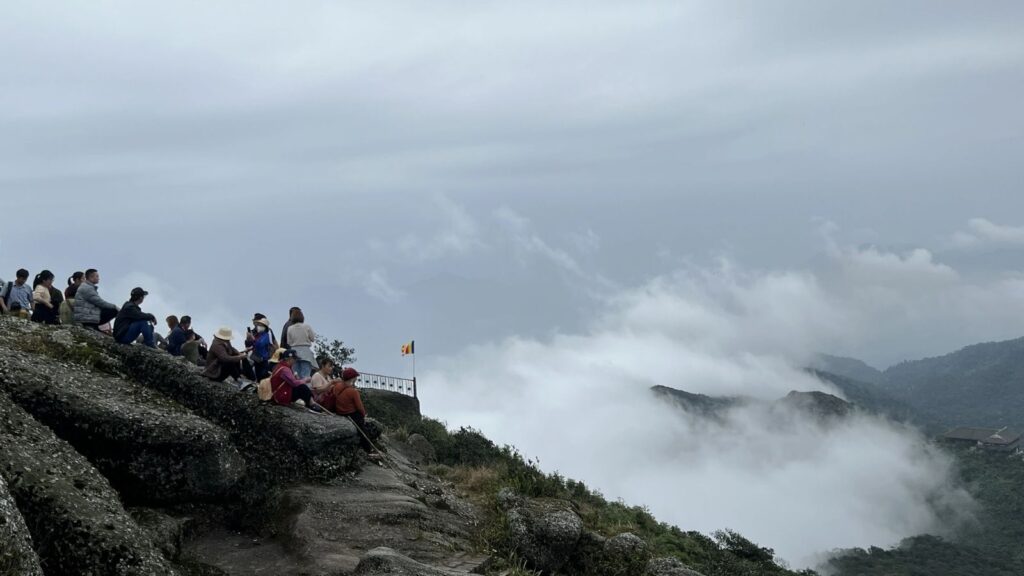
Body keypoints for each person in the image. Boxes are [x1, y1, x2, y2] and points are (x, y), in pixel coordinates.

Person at [320, 367, 379, 457]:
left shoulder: (337, 386)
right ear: (352, 378)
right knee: (362, 429)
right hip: (351, 413)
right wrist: (363, 415)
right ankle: (369, 450)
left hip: (339, 411)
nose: (356, 379)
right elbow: (360, 407)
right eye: (355, 377)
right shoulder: (353, 392)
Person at [286, 310, 316, 379]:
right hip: (306, 353)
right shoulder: (307, 326)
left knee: (295, 376)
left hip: (294, 352)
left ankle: (297, 389)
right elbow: (312, 339)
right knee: (306, 376)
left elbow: (289, 342)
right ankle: (305, 389)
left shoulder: (289, 328)